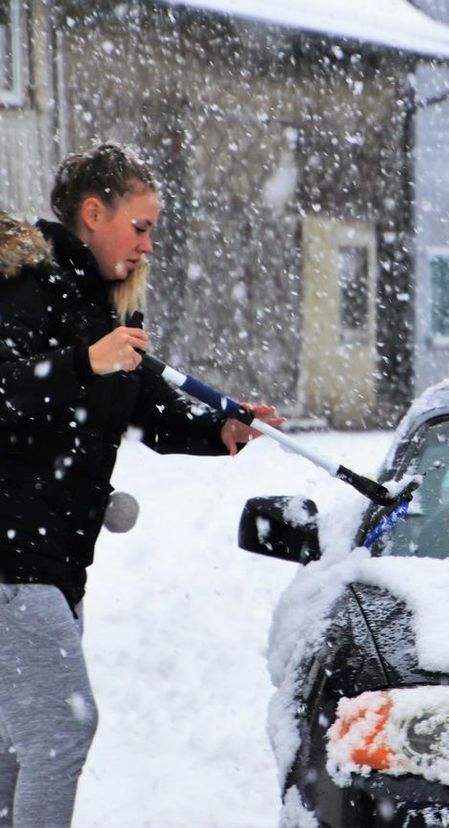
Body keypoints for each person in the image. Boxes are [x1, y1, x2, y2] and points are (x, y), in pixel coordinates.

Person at [0, 143, 283, 827]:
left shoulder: (99, 311)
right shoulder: (28, 290)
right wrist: (81, 362)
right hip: (12, 560)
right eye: (141, 226)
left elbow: (147, 405)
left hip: (55, 565)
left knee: (16, 748)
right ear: (94, 214)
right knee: (62, 732)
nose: (149, 245)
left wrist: (216, 430)